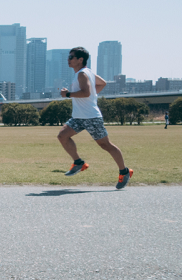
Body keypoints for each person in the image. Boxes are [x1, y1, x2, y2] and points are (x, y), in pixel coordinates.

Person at [57, 47, 133, 190]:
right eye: (69, 56)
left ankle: (125, 171)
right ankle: (78, 163)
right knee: (62, 136)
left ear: (80, 60)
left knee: (106, 145)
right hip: (78, 117)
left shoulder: (82, 74)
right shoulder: (86, 73)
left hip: (91, 117)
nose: (68, 59)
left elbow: (86, 92)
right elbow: (102, 83)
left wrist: (68, 94)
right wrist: (93, 94)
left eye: (71, 57)